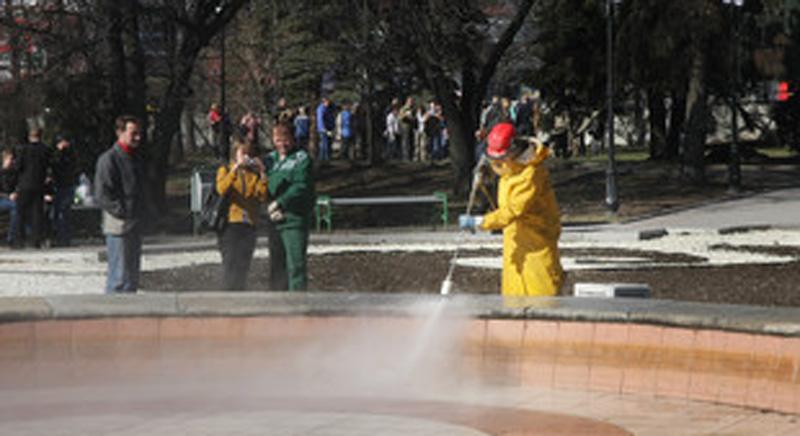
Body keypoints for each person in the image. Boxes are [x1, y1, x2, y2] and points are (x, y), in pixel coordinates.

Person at [459, 122, 563, 301]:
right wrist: (485, 173)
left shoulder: (531, 174)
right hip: (514, 244)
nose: (497, 164)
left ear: (514, 150)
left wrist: (480, 222)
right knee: (513, 300)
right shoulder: (510, 168)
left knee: (543, 298)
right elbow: (502, 173)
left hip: (536, 244)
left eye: (500, 159)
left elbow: (513, 210)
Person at [94, 115, 151, 293]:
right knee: (119, 277)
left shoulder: (136, 158)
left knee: (132, 278)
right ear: (120, 132)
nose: (138, 138)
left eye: (139, 133)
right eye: (133, 133)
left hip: (135, 223)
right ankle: (114, 309)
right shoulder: (109, 159)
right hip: (119, 225)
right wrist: (123, 211)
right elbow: (102, 194)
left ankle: (130, 309)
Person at [264, 121, 314, 291]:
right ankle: (277, 302)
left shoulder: (301, 158)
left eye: (285, 140)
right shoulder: (269, 159)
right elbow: (262, 183)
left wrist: (280, 202)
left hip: (293, 220)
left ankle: (298, 301)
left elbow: (300, 186)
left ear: (293, 138)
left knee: (295, 266)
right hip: (274, 221)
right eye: (278, 140)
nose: (282, 144)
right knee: (276, 267)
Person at [215, 140, 268, 291]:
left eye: (249, 154)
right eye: (243, 153)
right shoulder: (226, 170)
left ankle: (241, 294)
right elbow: (221, 189)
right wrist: (235, 169)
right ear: (235, 154)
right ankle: (228, 294)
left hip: (249, 224)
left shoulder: (253, 175)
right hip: (230, 224)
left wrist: (262, 173)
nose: (246, 157)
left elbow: (262, 195)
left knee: (244, 263)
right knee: (230, 262)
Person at [12, 127, 50, 248]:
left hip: (24, 184)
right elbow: (47, 166)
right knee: (37, 213)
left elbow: (18, 167)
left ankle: (19, 240)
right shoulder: (45, 150)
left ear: (29, 136)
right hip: (39, 184)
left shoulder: (23, 149)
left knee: (21, 212)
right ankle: (36, 240)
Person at [50, 136, 76, 247]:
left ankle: (64, 237)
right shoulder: (59, 155)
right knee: (60, 212)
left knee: (63, 212)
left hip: (65, 185)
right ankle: (60, 236)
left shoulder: (68, 155)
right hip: (61, 185)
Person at [0, 148, 18, 246]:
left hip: (12, 199)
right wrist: (7, 195)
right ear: (4, 159)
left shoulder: (14, 173)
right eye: (10, 159)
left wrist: (16, 193)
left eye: (12, 159)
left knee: (16, 208)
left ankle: (11, 238)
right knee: (15, 206)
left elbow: (18, 186)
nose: (12, 161)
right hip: (2, 199)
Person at [316, 96, 335, 161]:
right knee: (324, 144)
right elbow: (320, 119)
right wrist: (323, 128)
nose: (328, 103)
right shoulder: (321, 109)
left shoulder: (328, 108)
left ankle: (324, 157)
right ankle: (324, 158)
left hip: (329, 127)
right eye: (327, 101)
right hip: (324, 129)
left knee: (327, 143)